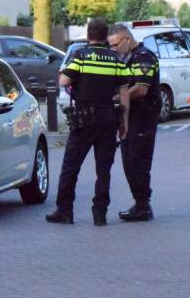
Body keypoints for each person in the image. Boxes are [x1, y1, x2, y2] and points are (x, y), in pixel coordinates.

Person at [46, 18, 129, 226]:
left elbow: (64, 81)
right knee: (103, 169)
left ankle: (65, 211)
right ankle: (100, 213)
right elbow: (124, 90)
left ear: (89, 35)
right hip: (108, 119)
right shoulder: (116, 59)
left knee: (71, 166)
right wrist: (124, 121)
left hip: (84, 120)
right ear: (105, 35)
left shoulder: (81, 56)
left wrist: (67, 75)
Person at [107, 24, 160, 221]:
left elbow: (141, 89)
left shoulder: (144, 57)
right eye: (110, 45)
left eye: (115, 45)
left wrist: (118, 98)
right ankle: (140, 203)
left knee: (138, 161)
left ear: (127, 40)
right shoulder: (127, 58)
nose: (113, 49)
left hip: (144, 117)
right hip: (130, 117)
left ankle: (143, 205)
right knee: (129, 161)